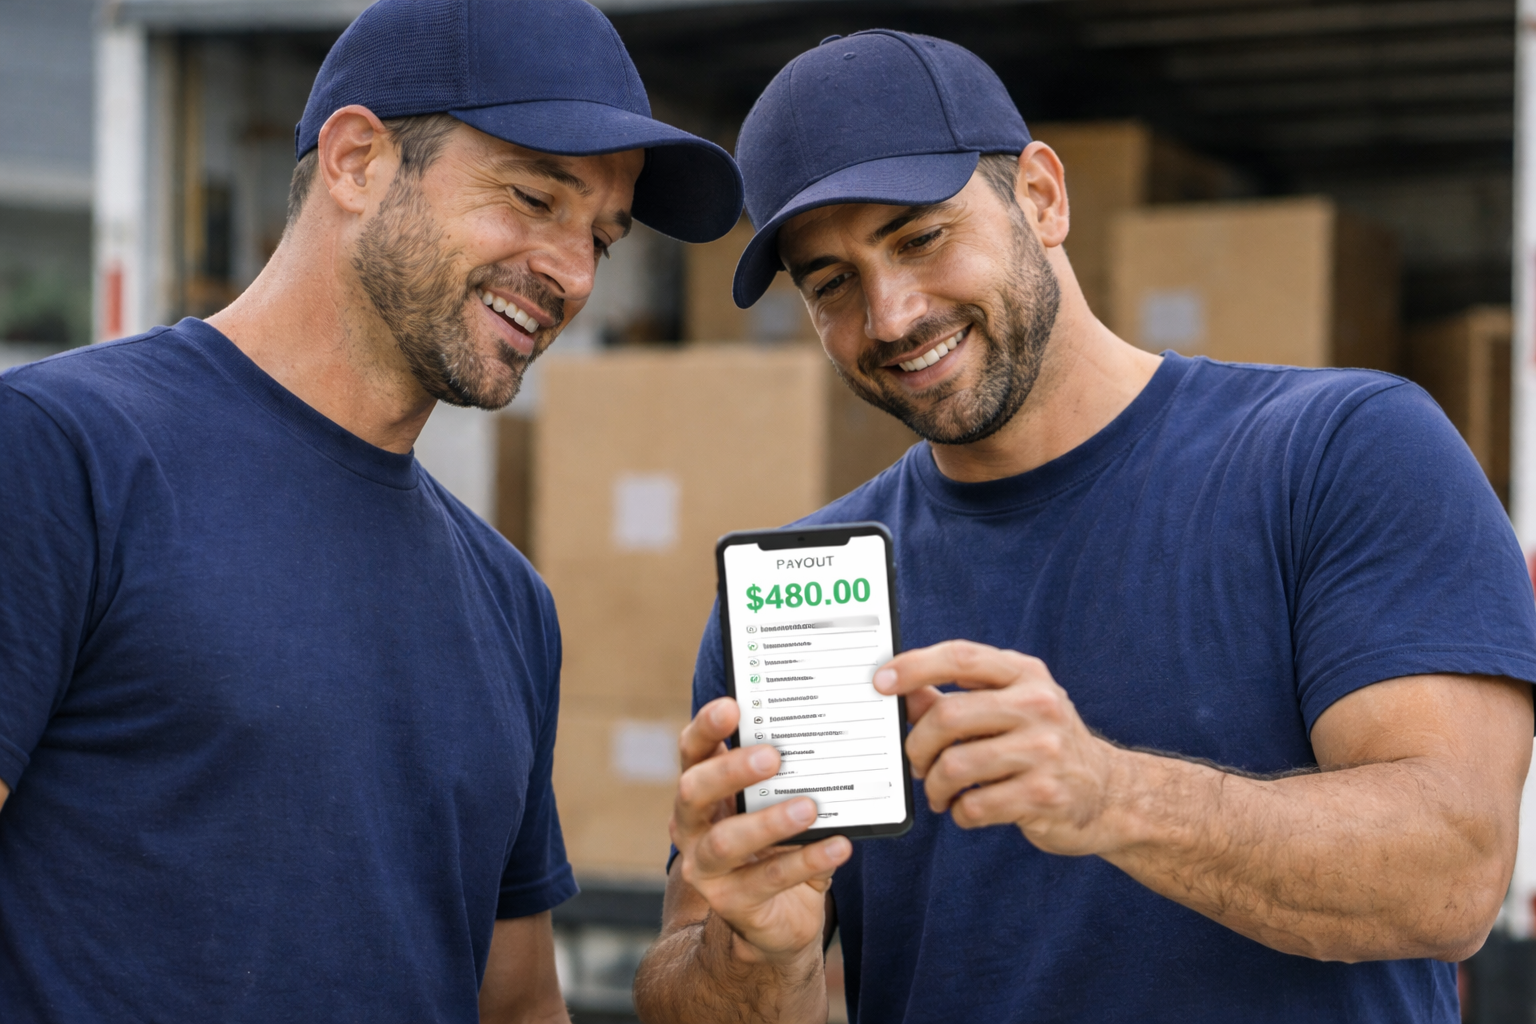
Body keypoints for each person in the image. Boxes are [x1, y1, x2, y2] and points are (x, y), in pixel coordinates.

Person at [633, 29, 1536, 1024]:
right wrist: (755, 952)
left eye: (920, 237)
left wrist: (1108, 796)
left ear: (1043, 197)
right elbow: (699, 981)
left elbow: (1454, 873)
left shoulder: (1341, 452)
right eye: (830, 282)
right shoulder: (806, 597)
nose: (889, 315)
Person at [0, 1, 740, 1021]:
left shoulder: (508, 602)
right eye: (532, 197)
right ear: (356, 162)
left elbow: (518, 1005)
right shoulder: (58, 452)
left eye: (601, 239)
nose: (573, 274)